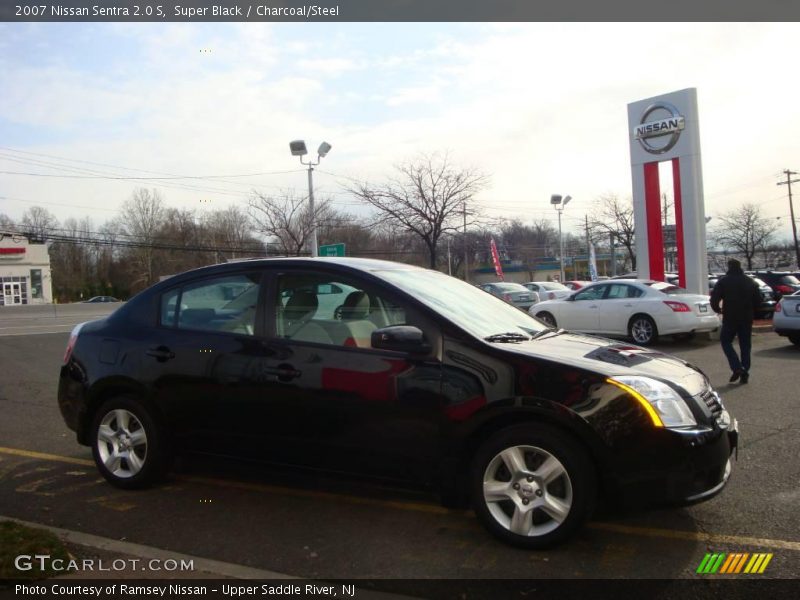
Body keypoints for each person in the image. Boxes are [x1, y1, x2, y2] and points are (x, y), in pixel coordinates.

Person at [710, 259, 762, 384]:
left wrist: (718, 309)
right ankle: (744, 370)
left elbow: (714, 298)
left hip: (730, 317)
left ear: (729, 267)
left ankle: (737, 367)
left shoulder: (724, 281)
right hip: (746, 318)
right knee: (745, 345)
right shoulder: (750, 281)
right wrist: (754, 312)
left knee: (726, 341)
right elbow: (758, 300)